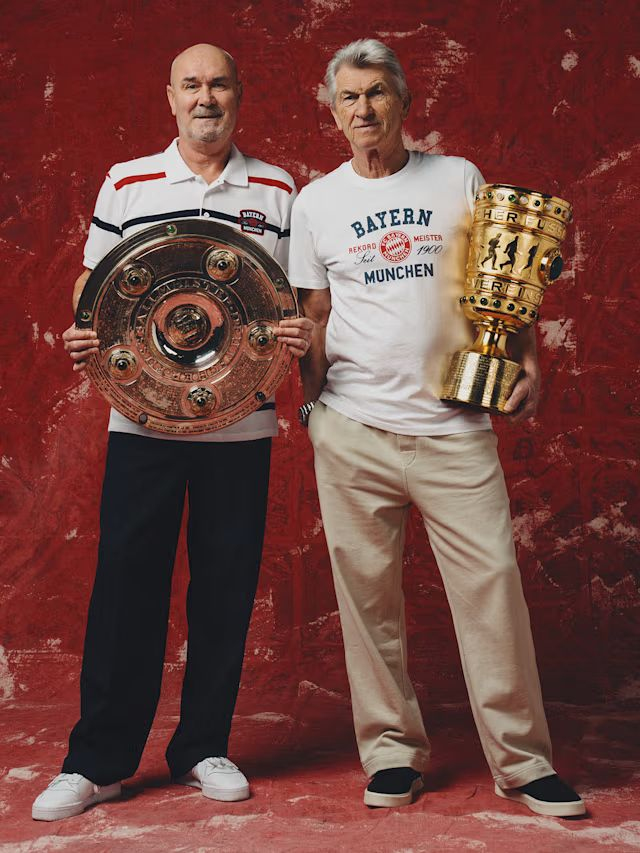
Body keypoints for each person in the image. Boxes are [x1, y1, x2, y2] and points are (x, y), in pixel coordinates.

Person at [290, 38, 585, 818]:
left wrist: (528, 361)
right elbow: (313, 313)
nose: (363, 109)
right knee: (367, 602)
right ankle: (391, 752)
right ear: (332, 111)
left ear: (404, 102)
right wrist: (311, 408)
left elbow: (505, 278)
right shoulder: (315, 203)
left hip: (454, 427)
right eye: (349, 97)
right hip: (353, 428)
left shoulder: (456, 178)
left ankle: (523, 761)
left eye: (376, 93)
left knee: (492, 591)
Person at [32, 43, 312, 822]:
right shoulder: (128, 181)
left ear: (239, 95)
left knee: (225, 587)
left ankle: (202, 746)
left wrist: (294, 330)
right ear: (170, 96)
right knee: (127, 587)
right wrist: (86, 328)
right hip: (143, 419)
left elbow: (288, 296)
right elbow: (94, 282)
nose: (205, 97)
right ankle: (97, 761)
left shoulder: (278, 188)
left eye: (218, 83)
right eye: (191, 84)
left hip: (240, 425)